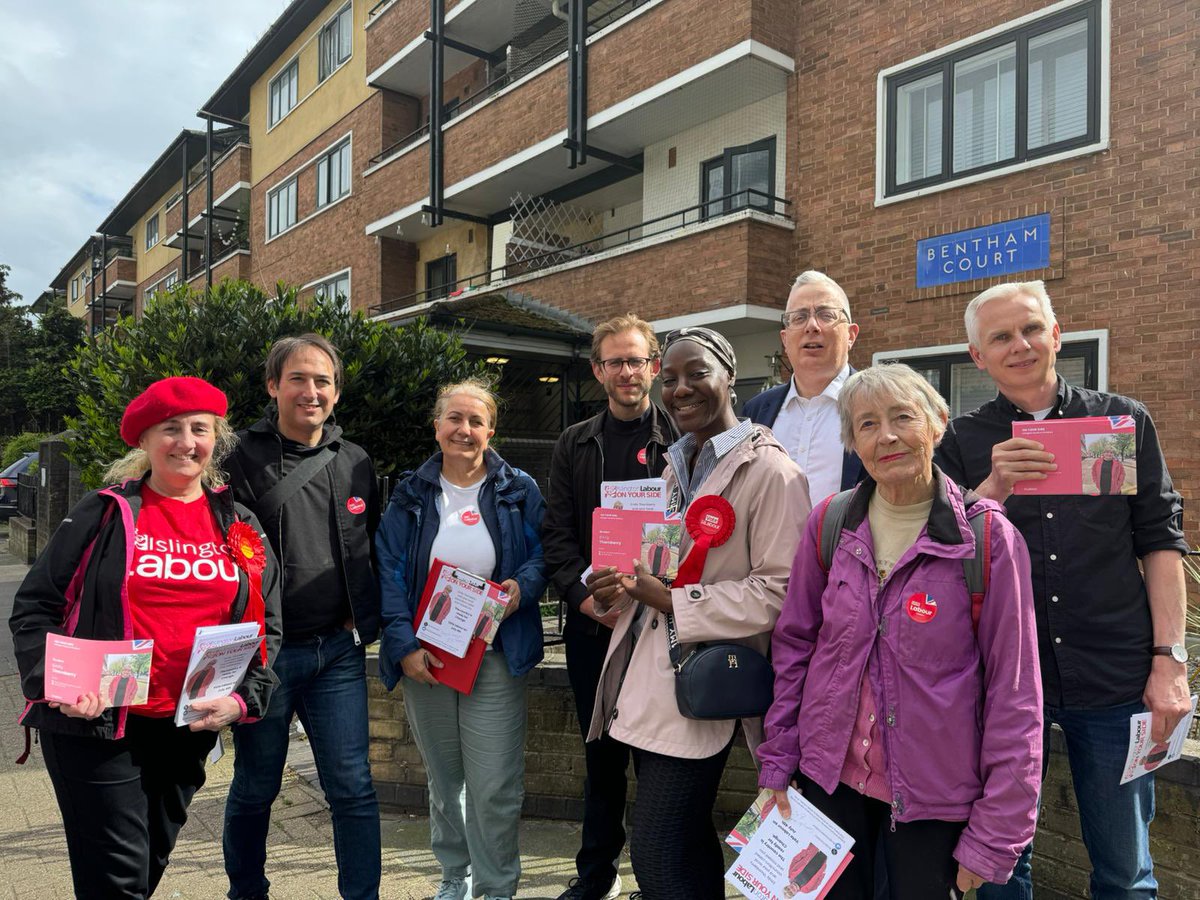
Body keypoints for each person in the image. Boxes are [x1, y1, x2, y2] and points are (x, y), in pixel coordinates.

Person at [935, 281, 1191, 899]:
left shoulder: (1122, 421)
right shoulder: (963, 441)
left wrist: (1171, 662)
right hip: (1002, 681)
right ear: (978, 356)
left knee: (1126, 871)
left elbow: (1159, 541)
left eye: (1029, 329)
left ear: (1056, 334)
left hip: (1114, 673)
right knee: (999, 868)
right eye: (1000, 337)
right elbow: (938, 551)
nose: (1018, 345)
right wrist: (991, 489)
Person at [757, 363, 1043, 898]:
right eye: (866, 424)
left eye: (902, 417)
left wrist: (995, 835)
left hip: (935, 798)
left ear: (937, 424)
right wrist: (778, 760)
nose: (886, 435)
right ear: (853, 445)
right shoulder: (831, 523)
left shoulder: (987, 538)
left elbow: (1016, 694)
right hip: (829, 782)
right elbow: (796, 647)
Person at [8, 376, 281, 899]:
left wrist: (243, 701)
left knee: (146, 866)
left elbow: (268, 627)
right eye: (170, 429)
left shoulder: (237, 522)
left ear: (215, 439)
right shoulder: (106, 512)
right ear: (146, 441)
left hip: (189, 725)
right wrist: (55, 683)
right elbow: (35, 604)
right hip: (98, 724)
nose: (186, 441)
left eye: (199, 429)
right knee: (120, 879)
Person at [586, 327, 809, 899]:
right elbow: (664, 567)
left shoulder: (773, 474)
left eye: (697, 374)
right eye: (671, 379)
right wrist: (622, 587)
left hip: (703, 688)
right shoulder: (673, 469)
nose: (681, 389)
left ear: (730, 377)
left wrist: (672, 600)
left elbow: (781, 592)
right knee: (682, 839)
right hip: (650, 680)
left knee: (655, 849)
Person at [222, 334, 383, 900]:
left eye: (323, 381)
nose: (311, 391)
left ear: (336, 393)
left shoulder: (356, 461)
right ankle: (247, 892)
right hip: (267, 657)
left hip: (337, 653)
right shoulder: (237, 457)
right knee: (255, 787)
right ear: (273, 386)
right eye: (298, 379)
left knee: (353, 787)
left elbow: (370, 548)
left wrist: (362, 620)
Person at [376, 378, 546, 900]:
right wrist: (403, 646)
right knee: (445, 781)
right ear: (437, 426)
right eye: (454, 419)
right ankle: (456, 876)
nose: (464, 430)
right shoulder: (410, 494)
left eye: (475, 421)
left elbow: (544, 554)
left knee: (494, 784)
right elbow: (388, 571)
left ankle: (496, 888)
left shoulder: (519, 489)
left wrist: (525, 584)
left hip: (493, 655)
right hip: (428, 658)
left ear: (490, 430)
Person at [542, 314, 678, 900]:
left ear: (654, 365)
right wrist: (581, 596)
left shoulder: (680, 436)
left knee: (655, 762)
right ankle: (595, 875)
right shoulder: (575, 442)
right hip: (594, 627)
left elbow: (694, 530)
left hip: (660, 624)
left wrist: (656, 592)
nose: (628, 372)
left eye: (637, 360)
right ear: (598, 371)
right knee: (600, 760)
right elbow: (556, 535)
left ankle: (654, 879)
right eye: (615, 362)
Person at [743, 271, 865, 503]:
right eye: (799, 318)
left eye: (825, 315)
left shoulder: (877, 404)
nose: (811, 326)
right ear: (785, 339)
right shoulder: (756, 412)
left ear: (851, 335)